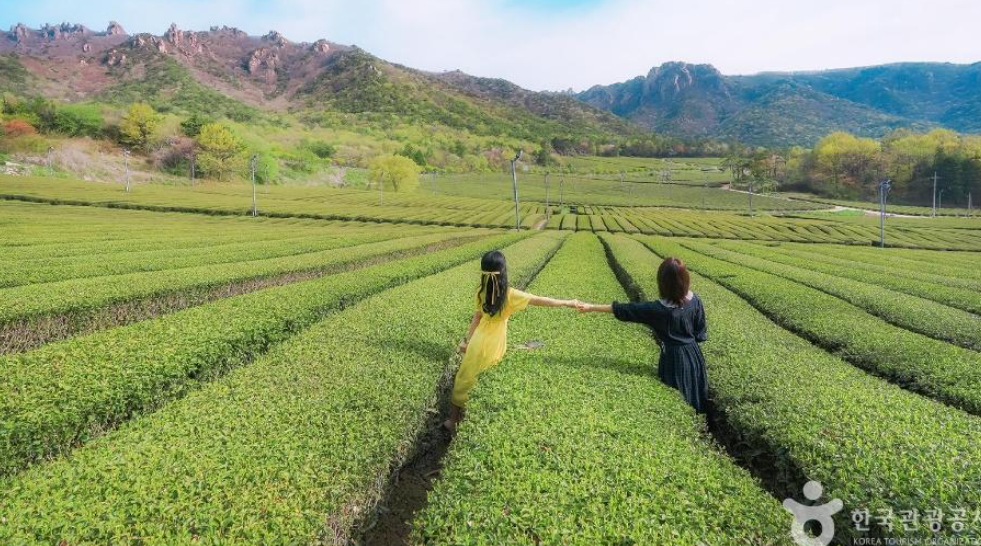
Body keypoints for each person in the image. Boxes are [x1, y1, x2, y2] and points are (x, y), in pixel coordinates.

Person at [446, 250, 579, 431]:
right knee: (483, 381)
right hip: (494, 343)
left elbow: (476, 318)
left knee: (464, 377)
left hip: (478, 341)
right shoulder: (510, 294)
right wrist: (568, 302)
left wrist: (467, 341)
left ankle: (452, 420)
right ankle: (470, 424)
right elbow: (539, 300)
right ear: (503, 271)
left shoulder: (480, 292)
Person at [576, 257, 708, 413]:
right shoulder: (695, 300)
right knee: (695, 390)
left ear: (662, 283)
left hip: (673, 359)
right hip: (694, 355)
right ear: (686, 279)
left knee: (678, 394)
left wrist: (591, 307)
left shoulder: (658, 309)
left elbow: (626, 309)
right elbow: (700, 333)